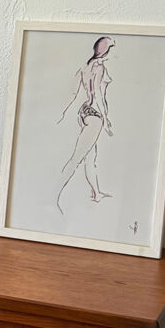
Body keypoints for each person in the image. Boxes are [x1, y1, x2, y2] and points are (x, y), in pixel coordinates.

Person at [56, 35, 115, 212]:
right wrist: (106, 119)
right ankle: (53, 194)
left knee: (90, 158)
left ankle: (96, 193)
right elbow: (97, 94)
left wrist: (64, 112)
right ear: (106, 51)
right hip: (95, 115)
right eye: (112, 48)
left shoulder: (86, 66)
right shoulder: (99, 67)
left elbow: (73, 93)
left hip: (84, 112)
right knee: (76, 158)